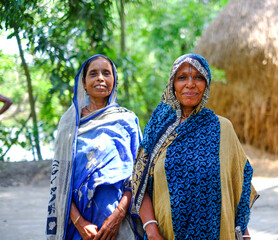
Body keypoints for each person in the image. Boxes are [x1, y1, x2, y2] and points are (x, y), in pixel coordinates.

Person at [132, 53, 259, 240]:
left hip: (217, 232)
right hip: (166, 235)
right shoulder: (157, 130)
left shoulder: (222, 128)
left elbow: (238, 184)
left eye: (198, 77)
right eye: (182, 77)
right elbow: (139, 182)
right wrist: (151, 231)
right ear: (172, 84)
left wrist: (245, 235)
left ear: (206, 84)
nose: (190, 84)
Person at [46, 54, 143, 240]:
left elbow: (139, 175)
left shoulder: (127, 121)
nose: (100, 78)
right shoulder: (70, 124)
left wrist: (117, 216)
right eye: (93, 73)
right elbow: (60, 181)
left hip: (120, 223)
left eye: (106, 73)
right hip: (79, 226)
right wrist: (80, 223)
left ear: (114, 80)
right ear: (83, 82)